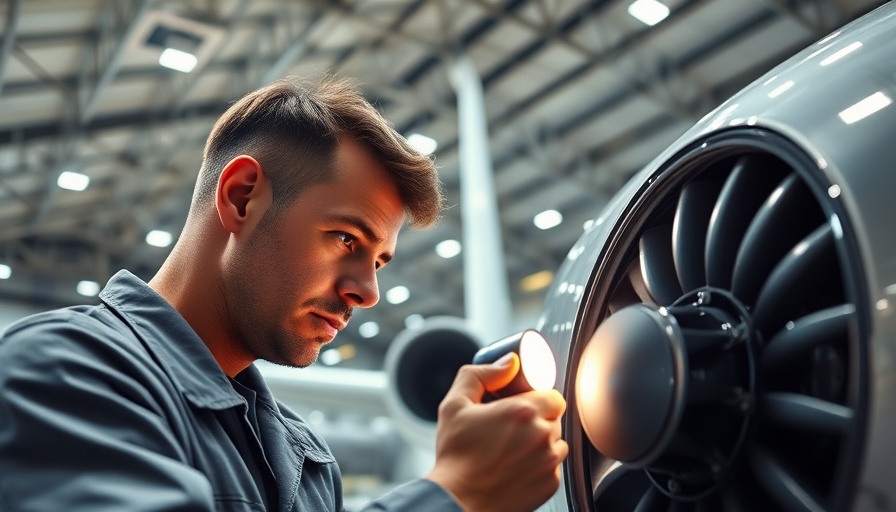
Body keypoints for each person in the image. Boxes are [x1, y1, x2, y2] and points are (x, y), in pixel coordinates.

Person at [0, 76, 568, 511]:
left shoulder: (307, 459)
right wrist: (454, 493)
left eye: (379, 260)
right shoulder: (61, 371)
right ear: (243, 197)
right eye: (346, 237)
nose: (368, 291)